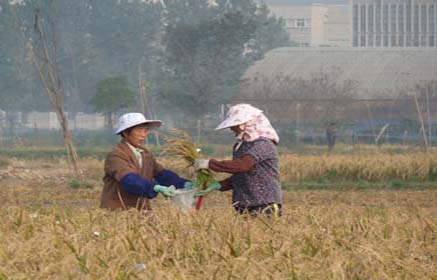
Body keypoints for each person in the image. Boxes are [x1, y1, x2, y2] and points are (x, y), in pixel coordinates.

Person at [194, 104, 282, 218]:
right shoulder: (241, 146)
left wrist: (209, 164)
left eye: (234, 125)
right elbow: (241, 176)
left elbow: (243, 166)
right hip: (243, 206)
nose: (231, 129)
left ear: (244, 125)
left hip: (264, 206)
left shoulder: (263, 144)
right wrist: (219, 185)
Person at [100, 112, 193, 211]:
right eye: (139, 130)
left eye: (145, 130)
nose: (143, 135)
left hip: (142, 210)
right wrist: (155, 187)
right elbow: (130, 180)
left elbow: (161, 174)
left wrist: (183, 184)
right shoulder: (116, 155)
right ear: (126, 133)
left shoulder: (145, 154)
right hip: (119, 211)